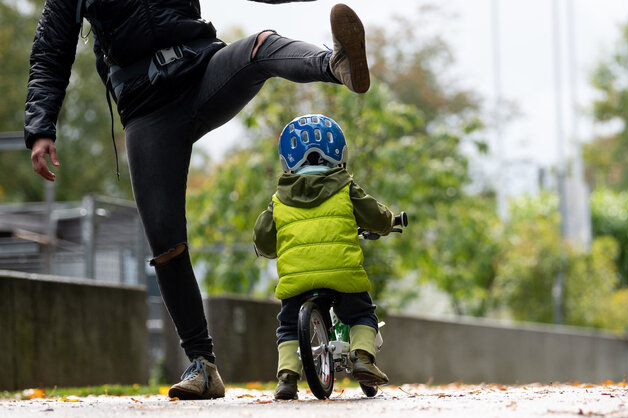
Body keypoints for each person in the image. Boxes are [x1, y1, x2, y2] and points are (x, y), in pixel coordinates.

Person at [25, 0, 371, 400]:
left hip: (203, 72)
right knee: (165, 242)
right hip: (147, 109)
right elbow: (50, 50)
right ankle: (203, 365)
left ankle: (335, 65)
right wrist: (40, 127)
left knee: (260, 45)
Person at [252, 114, 392, 400]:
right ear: (340, 153)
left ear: (286, 160)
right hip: (342, 274)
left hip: (297, 280)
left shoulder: (278, 200)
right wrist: (389, 222)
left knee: (289, 326)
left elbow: (264, 240)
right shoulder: (346, 188)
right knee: (361, 313)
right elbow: (377, 218)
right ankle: (363, 358)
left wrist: (268, 247)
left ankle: (287, 377)